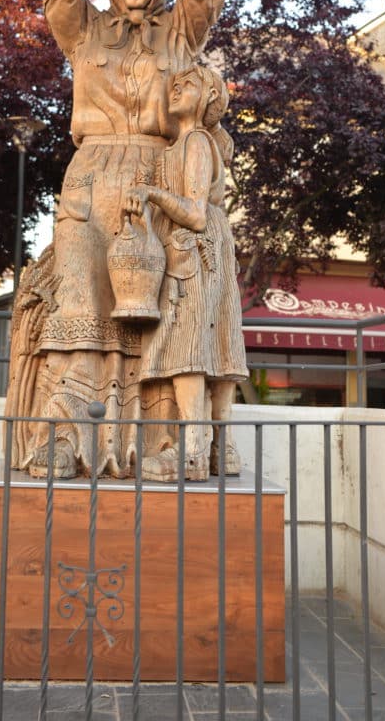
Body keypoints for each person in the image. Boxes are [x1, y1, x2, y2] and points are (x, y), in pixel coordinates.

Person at [17, 0, 255, 480]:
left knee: (160, 324)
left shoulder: (182, 35)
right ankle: (67, 441)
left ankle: (156, 444)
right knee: (79, 305)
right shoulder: (85, 33)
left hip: (155, 181)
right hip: (87, 180)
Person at [125, 66, 248, 480]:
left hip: (197, 251)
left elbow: (194, 214)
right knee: (209, 344)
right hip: (193, 251)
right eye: (173, 84)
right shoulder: (176, 149)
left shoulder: (196, 141)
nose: (176, 87)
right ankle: (220, 449)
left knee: (190, 347)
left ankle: (193, 453)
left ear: (209, 98)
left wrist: (151, 194)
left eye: (188, 84)